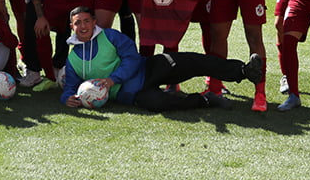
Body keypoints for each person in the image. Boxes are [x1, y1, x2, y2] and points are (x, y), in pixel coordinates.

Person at [60, 6, 264, 112]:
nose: (83, 26)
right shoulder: (73, 60)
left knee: (192, 61)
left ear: (94, 22)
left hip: (147, 68)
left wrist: (113, 79)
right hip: (132, 95)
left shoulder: (110, 36)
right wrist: (67, 98)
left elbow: (132, 58)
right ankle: (207, 100)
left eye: (87, 21)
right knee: (160, 104)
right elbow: (70, 86)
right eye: (78, 23)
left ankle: (243, 71)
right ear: (72, 27)